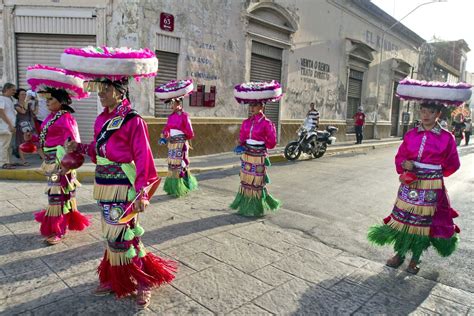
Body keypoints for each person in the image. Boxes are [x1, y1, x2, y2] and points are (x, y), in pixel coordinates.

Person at [61, 46, 176, 308]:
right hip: (104, 186)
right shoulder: (102, 119)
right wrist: (78, 148)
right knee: (112, 235)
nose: (100, 95)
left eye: (105, 89)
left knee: (125, 235)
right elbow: (99, 151)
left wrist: (142, 193)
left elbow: (144, 159)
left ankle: (143, 279)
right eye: (99, 89)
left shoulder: (133, 121)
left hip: (124, 187)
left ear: (120, 90)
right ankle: (118, 277)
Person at [368, 77, 471, 274]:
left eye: (431, 112)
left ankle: (415, 258)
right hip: (410, 183)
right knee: (403, 218)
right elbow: (400, 156)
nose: (426, 115)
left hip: (431, 186)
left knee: (423, 223)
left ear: (438, 114)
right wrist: (404, 165)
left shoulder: (447, 138)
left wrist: (435, 173)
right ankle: (399, 253)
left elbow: (453, 164)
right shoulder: (411, 134)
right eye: (423, 111)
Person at [26, 65, 91, 245]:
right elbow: (45, 137)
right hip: (51, 161)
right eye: (46, 100)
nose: (47, 102)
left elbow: (73, 141)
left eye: (51, 99)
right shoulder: (52, 116)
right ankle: (64, 223)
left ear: (61, 101)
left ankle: (58, 230)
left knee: (57, 194)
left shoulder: (66, 118)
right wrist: (31, 137)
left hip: (60, 162)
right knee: (58, 193)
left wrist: (66, 164)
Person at [230, 81, 281, 217]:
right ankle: (245, 205)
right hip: (247, 155)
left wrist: (261, 142)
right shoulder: (246, 122)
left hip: (258, 156)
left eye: (254, 105)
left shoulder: (267, 124)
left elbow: (271, 143)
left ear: (262, 106)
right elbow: (242, 138)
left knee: (256, 182)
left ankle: (256, 206)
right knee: (246, 180)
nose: (251, 108)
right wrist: (240, 146)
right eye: (250, 105)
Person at [155, 79, 197, 197]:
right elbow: (166, 129)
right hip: (172, 145)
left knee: (181, 165)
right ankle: (174, 187)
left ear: (179, 103)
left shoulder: (184, 116)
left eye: (172, 103)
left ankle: (183, 185)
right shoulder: (170, 117)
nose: (171, 106)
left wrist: (182, 139)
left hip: (180, 144)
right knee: (172, 166)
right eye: (170, 104)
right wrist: (164, 136)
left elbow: (190, 132)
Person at [13, 88, 36, 164]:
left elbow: (34, 112)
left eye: (25, 94)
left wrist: (36, 102)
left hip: (29, 126)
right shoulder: (16, 105)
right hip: (21, 127)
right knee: (21, 143)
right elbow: (23, 111)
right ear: (18, 96)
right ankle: (23, 161)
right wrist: (26, 102)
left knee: (34, 142)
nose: (24, 96)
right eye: (22, 94)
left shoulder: (28, 104)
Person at [0, 83, 17, 169]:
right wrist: (10, 125)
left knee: (8, 146)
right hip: (5, 127)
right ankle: (3, 163)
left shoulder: (9, 99)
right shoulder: (1, 98)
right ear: (7, 89)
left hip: (9, 126)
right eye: (13, 89)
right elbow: (1, 112)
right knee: (4, 145)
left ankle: (7, 162)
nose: (14, 91)